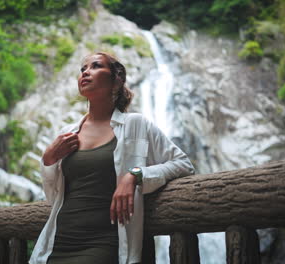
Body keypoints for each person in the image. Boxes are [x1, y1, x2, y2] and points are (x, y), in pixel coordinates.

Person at [29, 52, 195, 264]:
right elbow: (54, 197)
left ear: (117, 79)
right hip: (57, 243)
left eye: (96, 66)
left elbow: (183, 164)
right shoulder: (68, 133)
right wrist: (48, 159)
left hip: (105, 244)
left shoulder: (135, 125)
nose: (86, 72)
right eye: (83, 69)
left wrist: (135, 175)